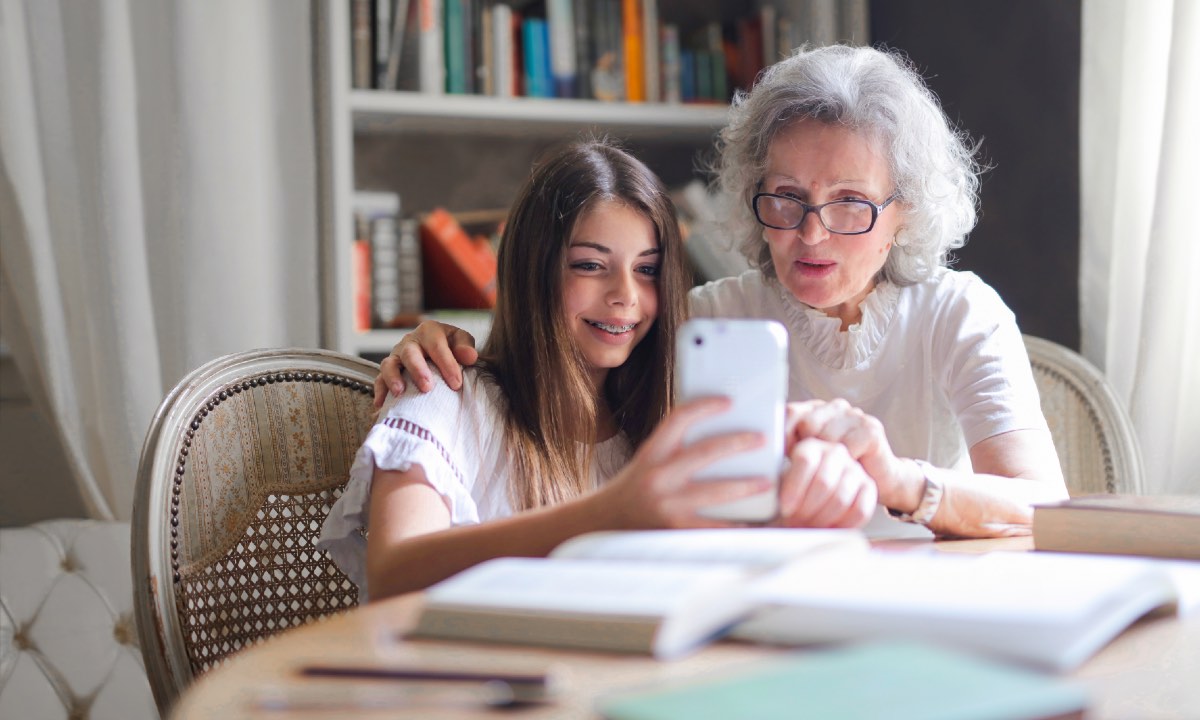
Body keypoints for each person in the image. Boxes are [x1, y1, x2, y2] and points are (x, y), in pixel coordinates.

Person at [376, 46, 1070, 539]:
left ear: (905, 213)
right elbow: (563, 372)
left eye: (851, 204)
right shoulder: (702, 320)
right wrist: (438, 343)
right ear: (750, 194)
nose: (811, 235)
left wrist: (898, 481)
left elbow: (1043, 506)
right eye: (787, 198)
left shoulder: (960, 312)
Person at [319, 140, 876, 602]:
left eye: (648, 270)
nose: (625, 298)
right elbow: (394, 573)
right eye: (590, 266)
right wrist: (612, 512)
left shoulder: (663, 422)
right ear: (533, 270)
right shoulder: (443, 393)